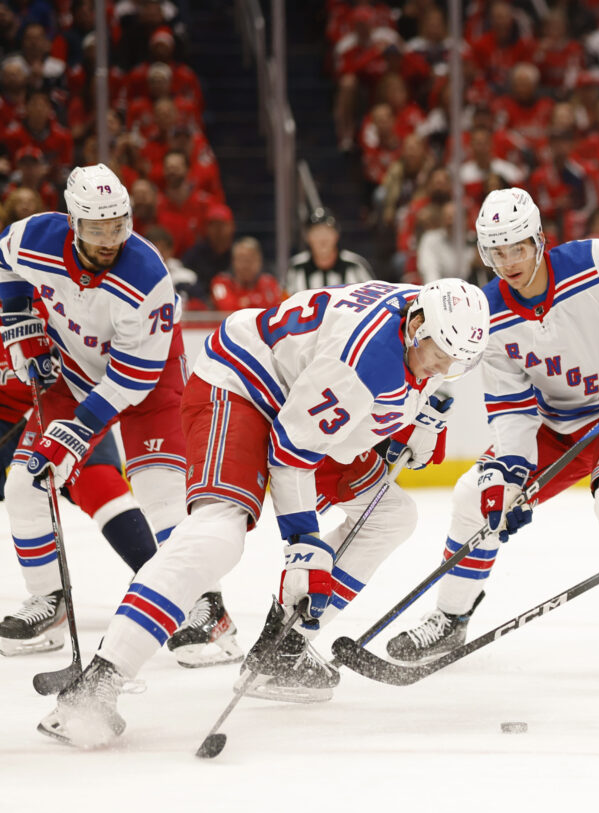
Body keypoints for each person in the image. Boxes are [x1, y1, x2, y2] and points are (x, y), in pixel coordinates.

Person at [37, 277, 491, 747]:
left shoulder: (432, 314)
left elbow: (388, 390)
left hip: (305, 400)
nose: (445, 365)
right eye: (438, 353)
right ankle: (98, 682)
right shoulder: (364, 362)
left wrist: (415, 415)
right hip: (245, 387)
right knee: (218, 533)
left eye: (457, 361)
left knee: (392, 515)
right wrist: (302, 548)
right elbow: (293, 451)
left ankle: (281, 653)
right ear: (416, 325)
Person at [388, 187, 599, 692]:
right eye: (496, 252)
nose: (508, 262)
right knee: (471, 497)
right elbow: (511, 406)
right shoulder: (488, 314)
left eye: (517, 248)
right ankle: (451, 619)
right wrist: (509, 476)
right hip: (554, 427)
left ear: (538, 241)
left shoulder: (594, 262)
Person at [0, 165, 241, 669]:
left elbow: (132, 377)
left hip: (147, 383)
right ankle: (50, 603)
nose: (109, 239)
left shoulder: (146, 274)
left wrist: (79, 429)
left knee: (163, 498)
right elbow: (5, 261)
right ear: (73, 222)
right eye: (97, 228)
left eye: (118, 225)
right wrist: (20, 320)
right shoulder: (36, 237)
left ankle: (208, 609)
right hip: (71, 372)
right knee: (25, 484)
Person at [0, 350, 162, 655]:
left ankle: (164, 587)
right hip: (6, 414)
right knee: (21, 492)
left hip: (63, 405)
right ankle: (48, 597)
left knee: (99, 484)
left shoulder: (44, 303)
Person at [285, 206, 374, 293]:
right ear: (307, 237)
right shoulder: (296, 268)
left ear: (336, 235)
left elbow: (376, 299)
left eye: (327, 232)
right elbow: (284, 301)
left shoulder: (355, 266)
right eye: (317, 233)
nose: (323, 239)